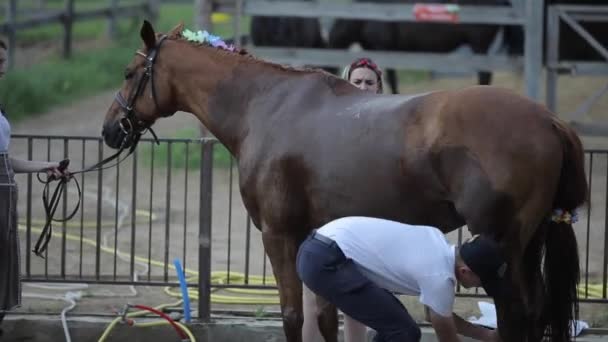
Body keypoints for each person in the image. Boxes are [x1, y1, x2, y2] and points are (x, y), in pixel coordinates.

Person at [297, 216, 505, 342]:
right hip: (326, 260)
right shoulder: (440, 277)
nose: (478, 286)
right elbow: (446, 334)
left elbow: (435, 315)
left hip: (319, 247)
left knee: (399, 329)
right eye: (481, 281)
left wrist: (486, 336)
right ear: (464, 272)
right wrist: (486, 336)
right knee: (403, 331)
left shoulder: (436, 240)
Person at [0, 39, 69, 335]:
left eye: (3, 61)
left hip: (4, 197)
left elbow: (4, 159)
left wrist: (44, 166)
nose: (3, 68)